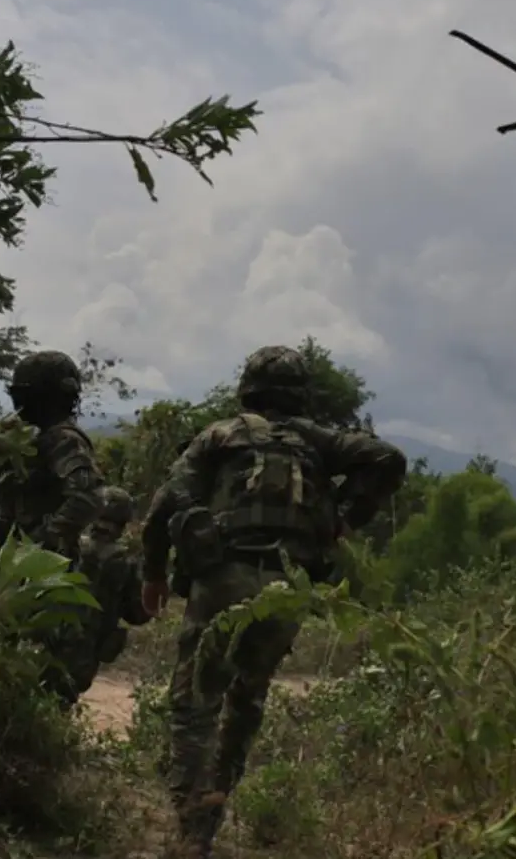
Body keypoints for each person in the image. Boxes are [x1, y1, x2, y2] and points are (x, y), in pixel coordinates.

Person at [140, 345, 407, 859]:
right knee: (246, 699)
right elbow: (388, 460)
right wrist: (344, 519)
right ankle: (210, 818)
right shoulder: (317, 441)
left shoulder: (219, 435)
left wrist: (153, 573)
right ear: (300, 394)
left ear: (248, 388)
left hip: (223, 577)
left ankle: (189, 825)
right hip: (287, 589)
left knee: (196, 701)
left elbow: (166, 504)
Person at [0, 349, 107, 706]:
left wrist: (46, 540)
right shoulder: (26, 438)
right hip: (15, 562)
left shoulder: (61, 438)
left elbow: (88, 495)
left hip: (46, 568)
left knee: (47, 661)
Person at [59, 485, 153, 701]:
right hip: (85, 654)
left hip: (48, 642)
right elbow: (137, 614)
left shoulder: (68, 546)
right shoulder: (125, 562)